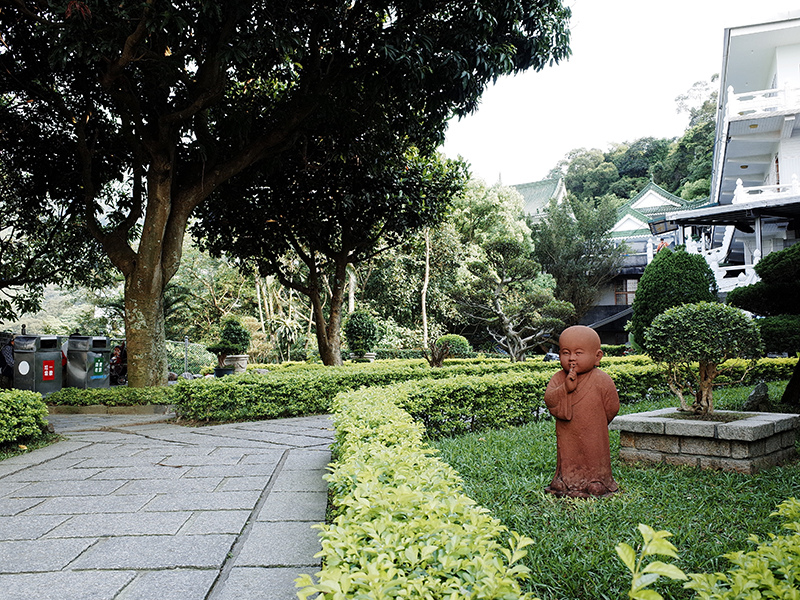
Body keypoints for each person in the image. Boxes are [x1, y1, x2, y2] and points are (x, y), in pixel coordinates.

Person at [544, 325, 619, 498]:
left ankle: (597, 480)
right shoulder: (558, 378)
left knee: (594, 453)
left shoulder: (601, 379)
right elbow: (549, 400)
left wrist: (597, 422)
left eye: (578, 353)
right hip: (567, 430)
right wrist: (565, 388)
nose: (571, 359)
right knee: (567, 452)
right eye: (565, 352)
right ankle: (564, 479)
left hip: (593, 432)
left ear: (597, 356)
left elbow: (612, 406)